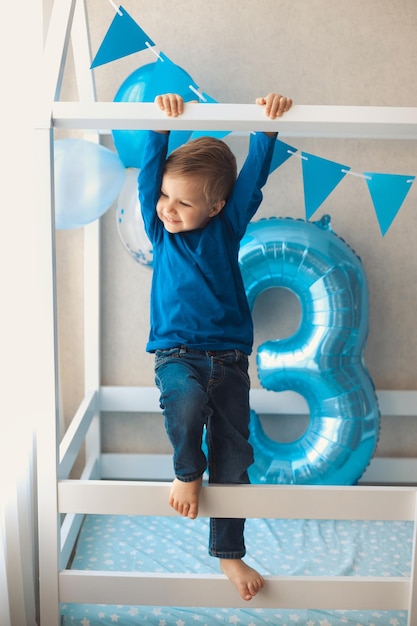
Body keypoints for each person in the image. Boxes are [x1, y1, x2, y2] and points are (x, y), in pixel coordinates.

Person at [138, 92, 293, 601]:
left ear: (216, 206)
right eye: (165, 197)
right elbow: (148, 179)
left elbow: (253, 178)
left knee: (235, 457)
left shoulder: (226, 229)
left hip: (229, 361)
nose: (168, 209)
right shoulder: (162, 236)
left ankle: (230, 555)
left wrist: (266, 127)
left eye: (183, 202)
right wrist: (161, 127)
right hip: (177, 355)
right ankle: (187, 472)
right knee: (183, 406)